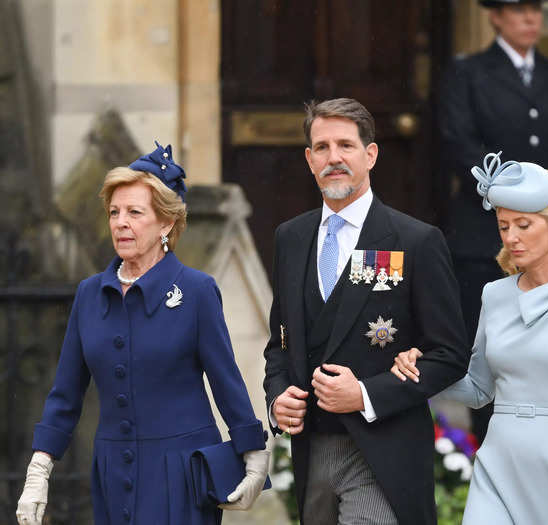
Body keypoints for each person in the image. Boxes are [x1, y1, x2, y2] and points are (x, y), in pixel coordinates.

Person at [15, 143, 269, 525]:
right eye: (115, 212)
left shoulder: (196, 291)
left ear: (166, 223)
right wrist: (40, 467)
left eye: (135, 212)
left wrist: (253, 453)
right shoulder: (89, 294)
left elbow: (226, 380)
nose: (120, 222)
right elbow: (65, 394)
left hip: (182, 474)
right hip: (113, 474)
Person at [262, 98, 469, 525]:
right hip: (311, 452)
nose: (333, 158)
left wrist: (366, 395)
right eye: (321, 147)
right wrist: (277, 397)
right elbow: (279, 343)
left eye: (345, 145)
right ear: (308, 159)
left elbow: (450, 354)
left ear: (370, 155)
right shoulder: (290, 238)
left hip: (383, 450)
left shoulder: (416, 241)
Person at [391, 152, 548, 525]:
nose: (511, 238)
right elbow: (478, 389)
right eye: (504, 226)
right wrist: (424, 370)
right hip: (500, 462)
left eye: (523, 225)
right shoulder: (495, 295)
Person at [438, 0, 548, 444]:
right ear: (495, 16)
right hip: (484, 241)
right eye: (518, 10)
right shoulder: (468, 73)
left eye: (535, 10)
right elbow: (461, 146)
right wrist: (518, 212)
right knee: (491, 356)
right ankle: (492, 460)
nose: (530, 19)